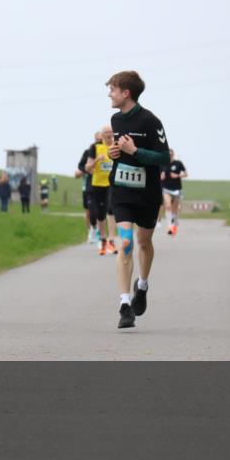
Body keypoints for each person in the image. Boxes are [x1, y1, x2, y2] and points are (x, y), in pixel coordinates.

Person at [105, 71, 170, 329]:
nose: (109, 94)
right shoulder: (114, 120)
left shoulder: (150, 121)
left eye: (112, 89)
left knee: (144, 242)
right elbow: (121, 156)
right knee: (127, 242)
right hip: (121, 191)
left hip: (147, 194)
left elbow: (164, 157)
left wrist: (136, 151)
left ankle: (141, 286)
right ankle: (124, 305)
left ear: (125, 93)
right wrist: (114, 154)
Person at [84, 125, 118, 256]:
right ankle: (103, 239)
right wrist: (96, 160)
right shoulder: (95, 147)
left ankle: (112, 240)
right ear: (102, 135)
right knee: (100, 214)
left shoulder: (116, 146)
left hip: (112, 184)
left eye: (111, 132)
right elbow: (87, 167)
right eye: (106, 132)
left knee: (111, 209)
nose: (109, 134)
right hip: (97, 184)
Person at [75, 134, 99, 243]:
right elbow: (80, 167)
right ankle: (90, 231)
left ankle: (99, 231)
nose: (99, 141)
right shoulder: (88, 151)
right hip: (88, 186)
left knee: (100, 211)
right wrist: (85, 170)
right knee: (89, 211)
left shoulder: (107, 150)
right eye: (97, 139)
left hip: (102, 185)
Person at [161, 149, 188, 235]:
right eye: (168, 155)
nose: (170, 157)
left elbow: (186, 174)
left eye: (171, 155)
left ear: (173, 155)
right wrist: (161, 176)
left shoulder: (178, 163)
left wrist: (178, 175)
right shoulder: (162, 164)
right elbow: (158, 175)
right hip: (166, 188)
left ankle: (174, 221)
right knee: (168, 206)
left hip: (177, 189)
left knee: (175, 209)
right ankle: (170, 226)